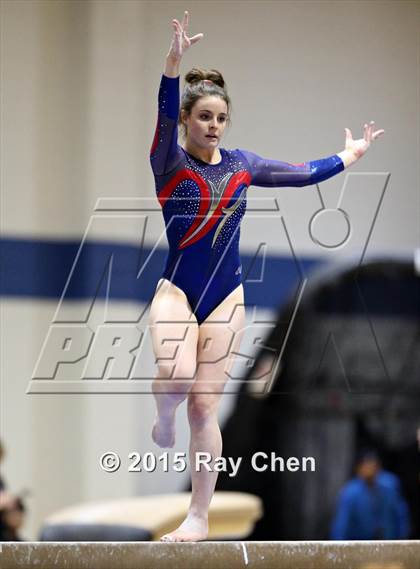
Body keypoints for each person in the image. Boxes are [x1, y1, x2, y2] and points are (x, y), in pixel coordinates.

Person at [148, 10, 385, 542]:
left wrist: (349, 155)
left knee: (206, 404)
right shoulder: (168, 162)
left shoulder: (241, 165)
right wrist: (171, 64)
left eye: (220, 118)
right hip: (176, 293)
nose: (213, 125)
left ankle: (198, 516)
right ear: (187, 119)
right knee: (179, 379)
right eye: (204, 116)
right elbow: (161, 115)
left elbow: (298, 175)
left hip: (226, 296)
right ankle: (163, 414)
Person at [330, 450, 410, 540]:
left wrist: (403, 538)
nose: (370, 469)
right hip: (361, 543)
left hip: (389, 541)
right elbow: (342, 524)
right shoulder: (350, 493)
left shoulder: (390, 485)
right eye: (366, 466)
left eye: (373, 465)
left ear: (379, 467)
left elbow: (401, 513)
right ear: (358, 469)